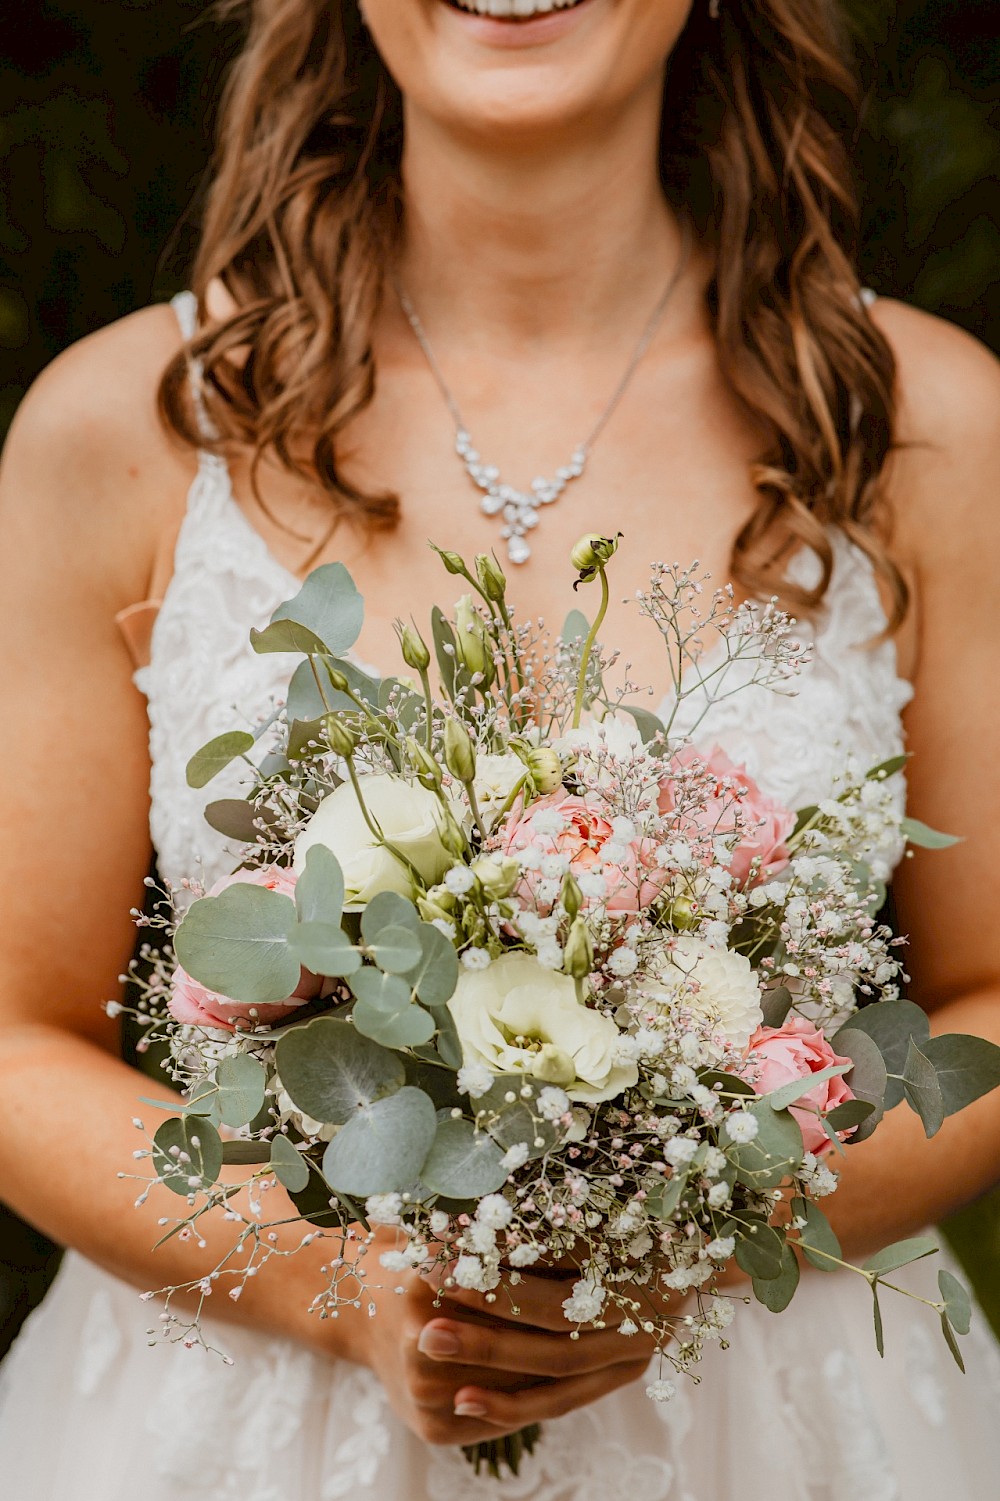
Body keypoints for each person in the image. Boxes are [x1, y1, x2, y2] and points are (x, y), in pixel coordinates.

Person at [2, 1, 1000, 1496]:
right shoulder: (126, 430)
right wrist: (335, 1284)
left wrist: (697, 1239)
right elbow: (13, 1038)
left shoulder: (926, 431)